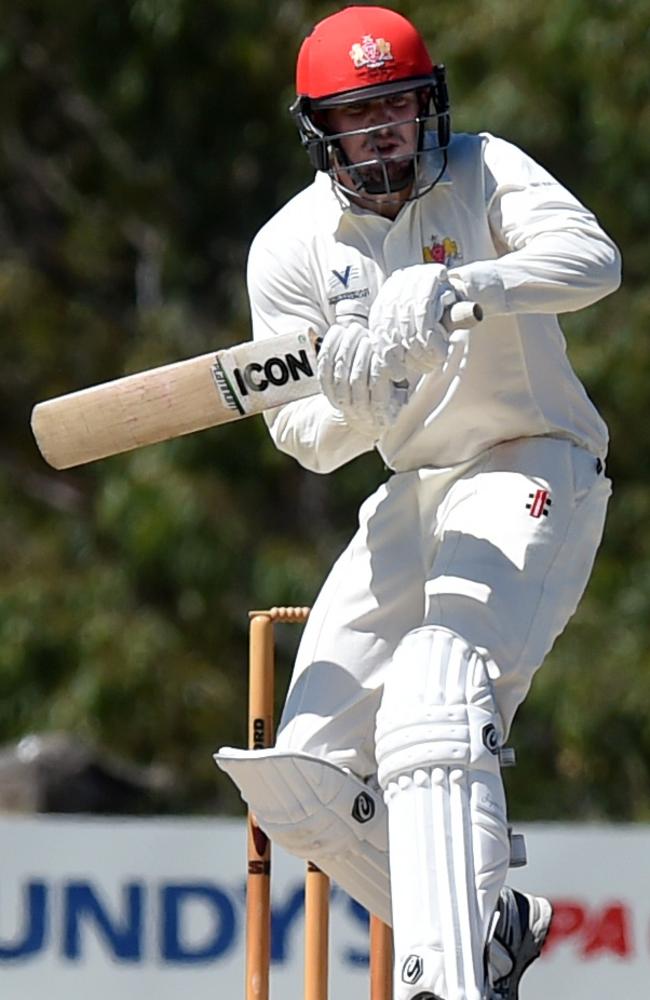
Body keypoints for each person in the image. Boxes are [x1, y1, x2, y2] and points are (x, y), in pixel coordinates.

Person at [215, 6, 621, 999]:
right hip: (414, 488)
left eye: (401, 104)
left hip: (532, 459)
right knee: (296, 779)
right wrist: (364, 399)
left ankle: (444, 977)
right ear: (323, 131)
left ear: (427, 105)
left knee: (436, 693)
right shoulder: (289, 247)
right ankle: (483, 926)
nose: (388, 128)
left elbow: (592, 262)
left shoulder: (481, 170)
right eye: (364, 115)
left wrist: (467, 288)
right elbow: (300, 438)